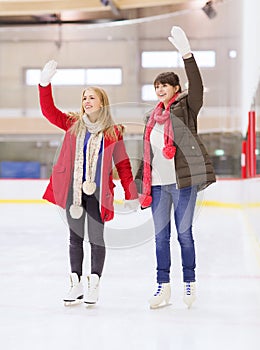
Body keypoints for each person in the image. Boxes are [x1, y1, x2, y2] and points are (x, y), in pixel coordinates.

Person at [38, 60, 139, 306]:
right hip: (73, 192)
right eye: (84, 98)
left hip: (98, 194)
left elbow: (123, 165)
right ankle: (76, 285)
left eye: (91, 98)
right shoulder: (73, 124)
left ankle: (94, 285)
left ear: (102, 102)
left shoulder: (112, 132)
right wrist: (44, 84)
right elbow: (49, 111)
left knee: (96, 239)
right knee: (75, 238)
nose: (87, 101)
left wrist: (131, 193)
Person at [136, 26, 216, 309]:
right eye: (157, 86)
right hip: (157, 185)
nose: (160, 90)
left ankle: (189, 282)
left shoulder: (187, 107)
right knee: (160, 237)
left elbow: (196, 86)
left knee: (183, 234)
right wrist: (139, 183)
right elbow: (146, 153)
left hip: (183, 183)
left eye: (165, 86)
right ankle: (163, 287)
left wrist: (187, 55)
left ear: (176, 89)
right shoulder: (150, 116)